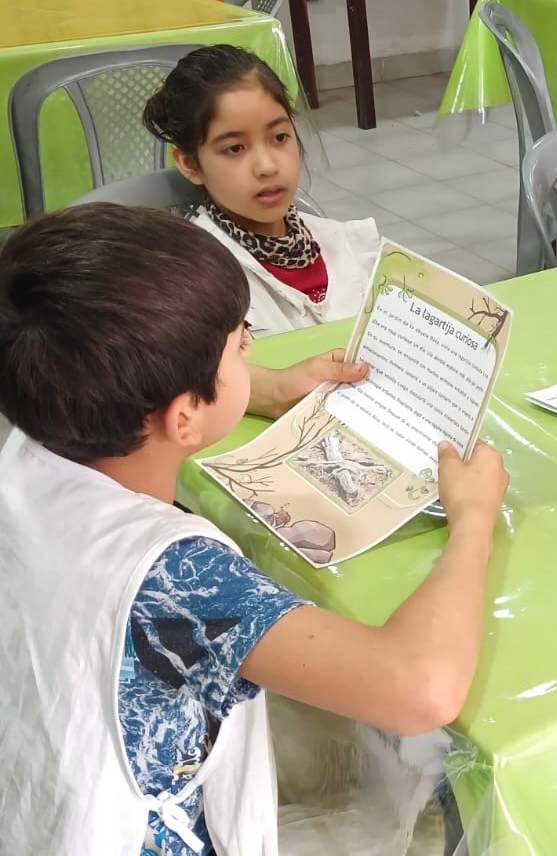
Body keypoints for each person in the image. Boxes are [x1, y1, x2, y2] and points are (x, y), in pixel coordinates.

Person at [0, 204, 508, 855]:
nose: (251, 349)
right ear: (184, 416)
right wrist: (472, 519)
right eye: (243, 343)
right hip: (131, 835)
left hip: (39, 796)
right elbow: (420, 689)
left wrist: (255, 389)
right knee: (431, 799)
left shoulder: (31, 448)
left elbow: (175, 402)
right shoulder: (175, 576)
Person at [144, 44, 381, 337]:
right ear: (190, 164)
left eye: (280, 137)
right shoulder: (195, 285)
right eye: (235, 148)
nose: (267, 166)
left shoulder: (348, 244)